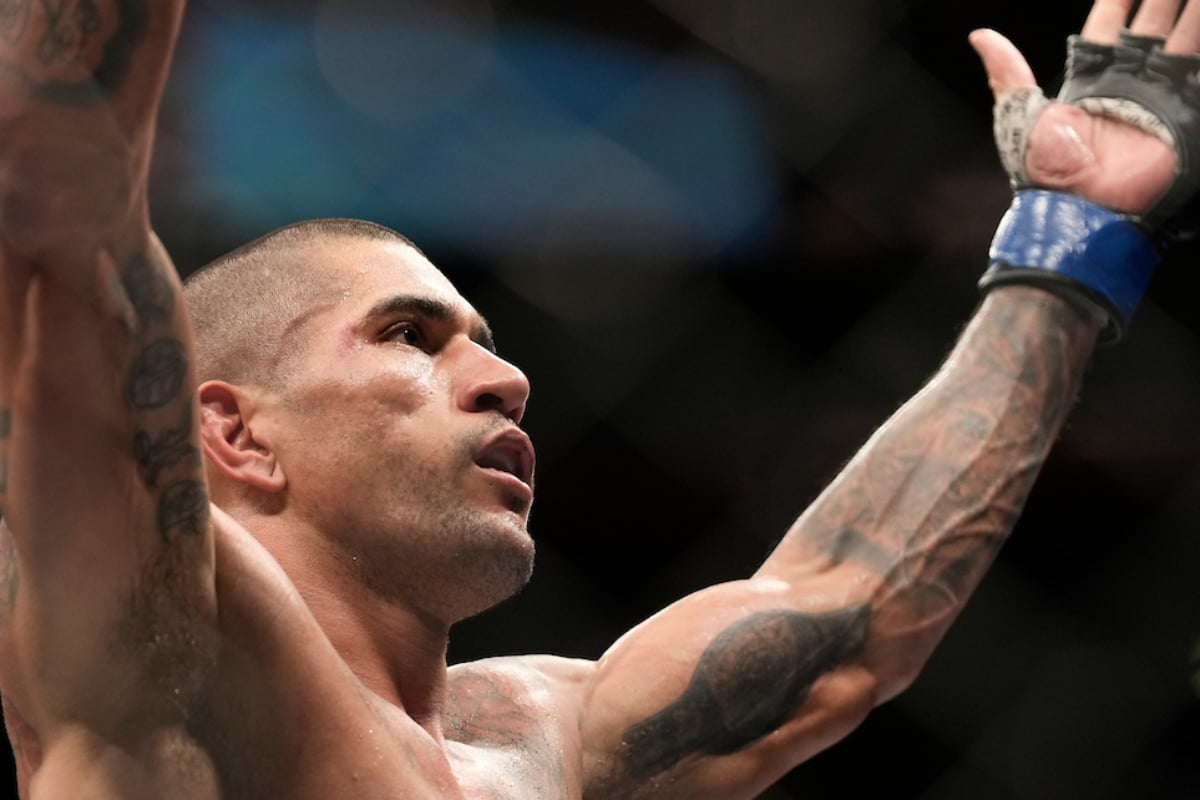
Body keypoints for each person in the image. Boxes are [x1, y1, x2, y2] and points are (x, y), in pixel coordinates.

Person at [0, 0, 1194, 797]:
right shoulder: (163, 634)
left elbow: (848, 602)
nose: (506, 377)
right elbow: (64, 238)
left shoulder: (548, 741)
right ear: (230, 428)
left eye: (487, 342)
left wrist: (1069, 245)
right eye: (411, 336)